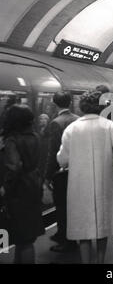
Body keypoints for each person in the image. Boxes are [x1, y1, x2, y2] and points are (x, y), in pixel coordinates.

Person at [57, 90, 113, 264]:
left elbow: (62, 160)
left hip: (80, 186)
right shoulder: (108, 125)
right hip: (103, 184)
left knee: (83, 230)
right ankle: (100, 261)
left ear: (81, 107)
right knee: (102, 228)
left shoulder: (71, 128)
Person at [0, 104, 44, 263]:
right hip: (33, 186)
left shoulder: (12, 140)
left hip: (18, 191)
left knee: (23, 239)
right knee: (25, 238)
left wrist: (5, 188)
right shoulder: (35, 136)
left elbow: (14, 167)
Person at [43, 91, 79, 253]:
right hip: (77, 169)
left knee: (62, 206)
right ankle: (66, 234)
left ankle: (66, 240)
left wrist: (47, 176)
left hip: (62, 172)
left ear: (54, 103)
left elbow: (53, 152)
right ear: (70, 102)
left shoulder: (56, 123)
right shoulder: (78, 120)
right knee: (72, 205)